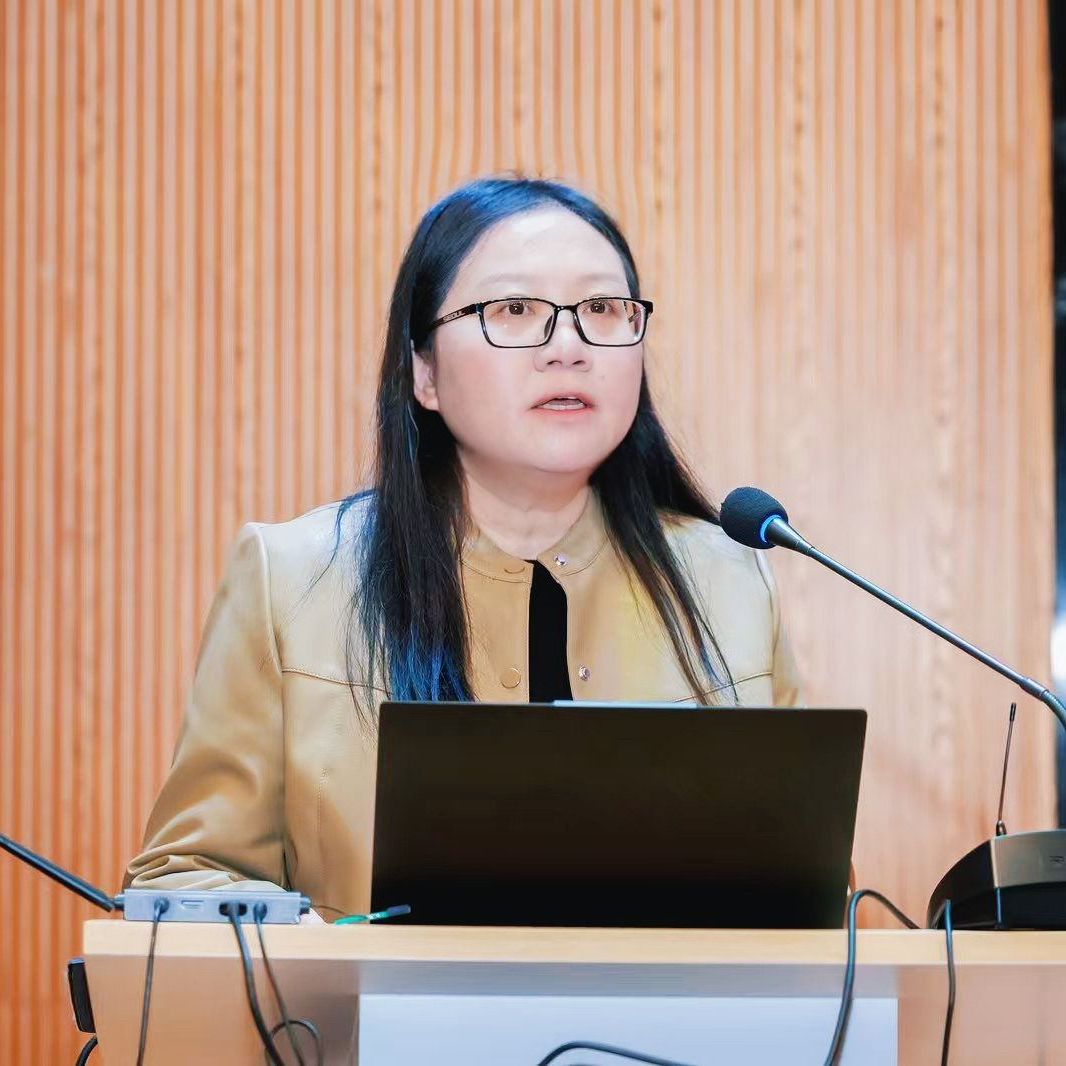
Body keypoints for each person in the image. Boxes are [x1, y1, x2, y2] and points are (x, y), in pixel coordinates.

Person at [126, 176, 802, 916]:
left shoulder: (731, 579)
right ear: (424, 373)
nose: (568, 347)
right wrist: (333, 950)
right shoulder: (292, 578)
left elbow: (806, 895)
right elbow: (188, 877)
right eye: (513, 310)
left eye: (602, 310)